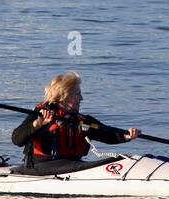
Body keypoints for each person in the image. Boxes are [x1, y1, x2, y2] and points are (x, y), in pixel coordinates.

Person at [11, 71, 140, 175]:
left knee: (118, 159)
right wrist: (38, 124)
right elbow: (17, 139)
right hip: (39, 166)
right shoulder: (41, 114)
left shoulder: (80, 120)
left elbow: (106, 133)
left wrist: (126, 136)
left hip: (71, 165)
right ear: (64, 96)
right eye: (77, 94)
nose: (81, 98)